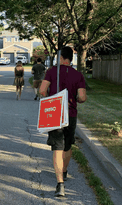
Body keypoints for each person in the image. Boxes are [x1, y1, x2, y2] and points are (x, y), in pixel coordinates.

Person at [39, 46, 87, 197]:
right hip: (71, 113)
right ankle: (64, 171)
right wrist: (75, 98)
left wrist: (49, 95)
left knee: (57, 148)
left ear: (61, 58)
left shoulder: (52, 72)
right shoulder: (78, 75)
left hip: (55, 114)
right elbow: (82, 97)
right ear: (70, 59)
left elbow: (42, 90)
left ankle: (60, 184)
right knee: (67, 145)